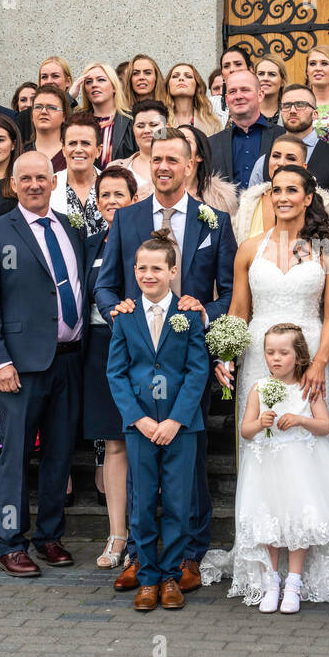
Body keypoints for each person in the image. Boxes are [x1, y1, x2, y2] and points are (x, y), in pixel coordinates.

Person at [204, 168, 329, 604]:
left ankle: (309, 564)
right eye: (277, 190)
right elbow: (238, 308)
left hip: (310, 356)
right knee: (264, 449)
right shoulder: (249, 249)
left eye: (293, 190)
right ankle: (265, 567)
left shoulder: (328, 250)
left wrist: (320, 362)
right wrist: (225, 353)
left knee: (308, 450)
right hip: (258, 357)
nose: (284, 197)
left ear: (310, 197)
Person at [95, 130, 236, 593]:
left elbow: (231, 292)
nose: (163, 167)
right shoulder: (128, 217)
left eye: (173, 160)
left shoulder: (214, 221)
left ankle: (189, 556)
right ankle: (140, 555)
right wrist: (117, 312)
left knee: (188, 466)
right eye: (157, 159)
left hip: (187, 362)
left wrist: (204, 311)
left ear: (191, 164)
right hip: (138, 356)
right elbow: (107, 284)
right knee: (140, 464)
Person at [0, 151, 87, 578]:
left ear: (54, 183)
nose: (35, 185)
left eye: (42, 177)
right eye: (26, 179)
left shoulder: (72, 230)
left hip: (70, 360)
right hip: (19, 366)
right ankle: (10, 542)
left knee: (59, 455)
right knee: (15, 457)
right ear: (13, 185)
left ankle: (49, 536)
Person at [209, 323, 329, 613]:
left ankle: (294, 582)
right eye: (270, 352)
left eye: (283, 352)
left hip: (303, 468)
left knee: (298, 522)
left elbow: (324, 426)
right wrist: (261, 424)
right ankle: (272, 581)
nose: (275, 358)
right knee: (272, 522)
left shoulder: (309, 389)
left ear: (299, 355)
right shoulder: (259, 388)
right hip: (268, 468)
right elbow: (245, 430)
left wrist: (300, 419)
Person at [107, 232, 210, 612]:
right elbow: (116, 373)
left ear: (172, 271)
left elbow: (198, 370)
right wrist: (139, 419)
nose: (149, 275)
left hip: (181, 428)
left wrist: (176, 421)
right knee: (143, 503)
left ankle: (171, 576)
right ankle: (147, 577)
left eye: (157, 268)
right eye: (142, 268)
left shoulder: (188, 315)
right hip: (140, 427)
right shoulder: (125, 317)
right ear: (134, 271)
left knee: (180, 504)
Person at [82, 166, 138, 569]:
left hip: (145, 348)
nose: (112, 201)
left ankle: (145, 534)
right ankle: (117, 535)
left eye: (120, 194)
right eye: (105, 195)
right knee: (115, 441)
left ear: (134, 199)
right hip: (102, 347)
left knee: (143, 439)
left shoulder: (149, 240)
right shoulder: (88, 244)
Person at [251, 84, 329, 199]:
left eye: (300, 105)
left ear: (315, 114)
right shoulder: (263, 162)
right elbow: (250, 209)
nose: (292, 110)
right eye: (286, 106)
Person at [235, 134, 329, 240]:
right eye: (276, 156)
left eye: (291, 158)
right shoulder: (249, 200)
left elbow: (328, 251)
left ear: (304, 167)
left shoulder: (324, 205)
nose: (281, 163)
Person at [209, 69, 282, 184]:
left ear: (260, 95)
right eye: (233, 91)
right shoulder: (211, 144)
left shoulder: (282, 137)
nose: (238, 96)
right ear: (227, 100)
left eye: (245, 90)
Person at [51, 111, 103, 235]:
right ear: (63, 150)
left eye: (85, 143)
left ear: (98, 150)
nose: (78, 149)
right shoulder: (48, 186)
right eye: (72, 143)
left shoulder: (113, 184)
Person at [75, 62, 134, 164]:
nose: (94, 85)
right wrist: (70, 97)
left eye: (101, 80)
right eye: (88, 82)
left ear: (114, 87)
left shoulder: (131, 121)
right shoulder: (77, 121)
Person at [180, 124, 239, 221]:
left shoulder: (222, 199)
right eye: (174, 141)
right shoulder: (151, 193)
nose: (178, 146)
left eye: (186, 142)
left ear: (199, 156)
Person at [109, 100, 168, 196]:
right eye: (140, 126)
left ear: (167, 128)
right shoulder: (115, 168)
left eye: (154, 125)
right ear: (133, 130)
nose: (147, 130)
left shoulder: (182, 167)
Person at [166, 62, 223, 135]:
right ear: (168, 85)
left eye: (188, 76)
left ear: (197, 85)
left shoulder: (212, 122)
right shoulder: (160, 119)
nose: (181, 78)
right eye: (175, 76)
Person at [26, 84, 70, 172]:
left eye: (51, 107)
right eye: (38, 107)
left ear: (64, 116)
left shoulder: (72, 153)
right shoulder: (20, 152)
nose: (43, 111)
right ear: (32, 116)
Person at [254, 56, 288, 122]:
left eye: (272, 74)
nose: (265, 78)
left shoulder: (290, 112)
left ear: (283, 81)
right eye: (261, 74)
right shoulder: (245, 110)